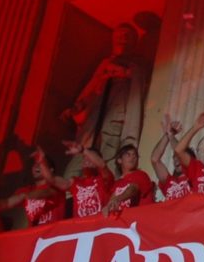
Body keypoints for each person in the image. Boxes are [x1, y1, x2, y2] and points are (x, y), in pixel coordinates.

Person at [63, 22, 149, 161]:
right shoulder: (106, 63)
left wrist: (121, 72)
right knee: (83, 149)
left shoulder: (137, 63)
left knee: (109, 148)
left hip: (117, 112)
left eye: (127, 36)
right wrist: (77, 106)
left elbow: (139, 80)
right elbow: (92, 87)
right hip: (95, 113)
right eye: (119, 36)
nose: (122, 39)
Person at [39, 143, 114, 219]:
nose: (87, 159)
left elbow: (102, 165)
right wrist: (42, 162)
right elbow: (52, 180)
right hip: (80, 227)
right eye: (85, 157)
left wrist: (83, 150)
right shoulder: (76, 182)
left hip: (98, 227)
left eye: (90, 158)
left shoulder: (104, 179)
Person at [1, 153, 67, 227]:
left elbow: (46, 192)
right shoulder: (25, 190)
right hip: (34, 235)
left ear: (50, 170)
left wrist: (24, 196)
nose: (36, 166)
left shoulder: (58, 186)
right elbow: (7, 203)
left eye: (40, 164)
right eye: (34, 164)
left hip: (53, 235)